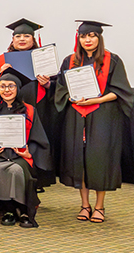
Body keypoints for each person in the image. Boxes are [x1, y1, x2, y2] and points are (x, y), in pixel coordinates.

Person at [54, 21, 133, 223]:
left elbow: (120, 91)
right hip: (77, 115)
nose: (87, 40)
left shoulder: (112, 60)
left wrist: (97, 99)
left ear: (99, 38)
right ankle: (84, 205)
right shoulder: (69, 61)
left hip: (103, 115)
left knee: (99, 160)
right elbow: (61, 89)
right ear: (78, 38)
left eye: (92, 35)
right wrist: (71, 98)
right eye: (83, 36)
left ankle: (99, 206)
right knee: (79, 159)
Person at [0, 18, 59, 190]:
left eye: (26, 36)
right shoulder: (2, 59)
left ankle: (35, 183)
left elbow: (59, 85)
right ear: (12, 39)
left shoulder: (43, 58)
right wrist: (0, 74)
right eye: (18, 36)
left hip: (39, 107)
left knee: (37, 141)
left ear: (33, 39)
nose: (22, 39)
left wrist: (48, 84)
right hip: (10, 109)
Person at [0, 68, 51, 228]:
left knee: (16, 169)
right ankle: (7, 209)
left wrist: (27, 152)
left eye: (11, 86)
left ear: (18, 88)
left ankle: (23, 209)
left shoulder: (29, 110)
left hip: (20, 155)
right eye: (2, 86)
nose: (6, 90)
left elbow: (38, 137)